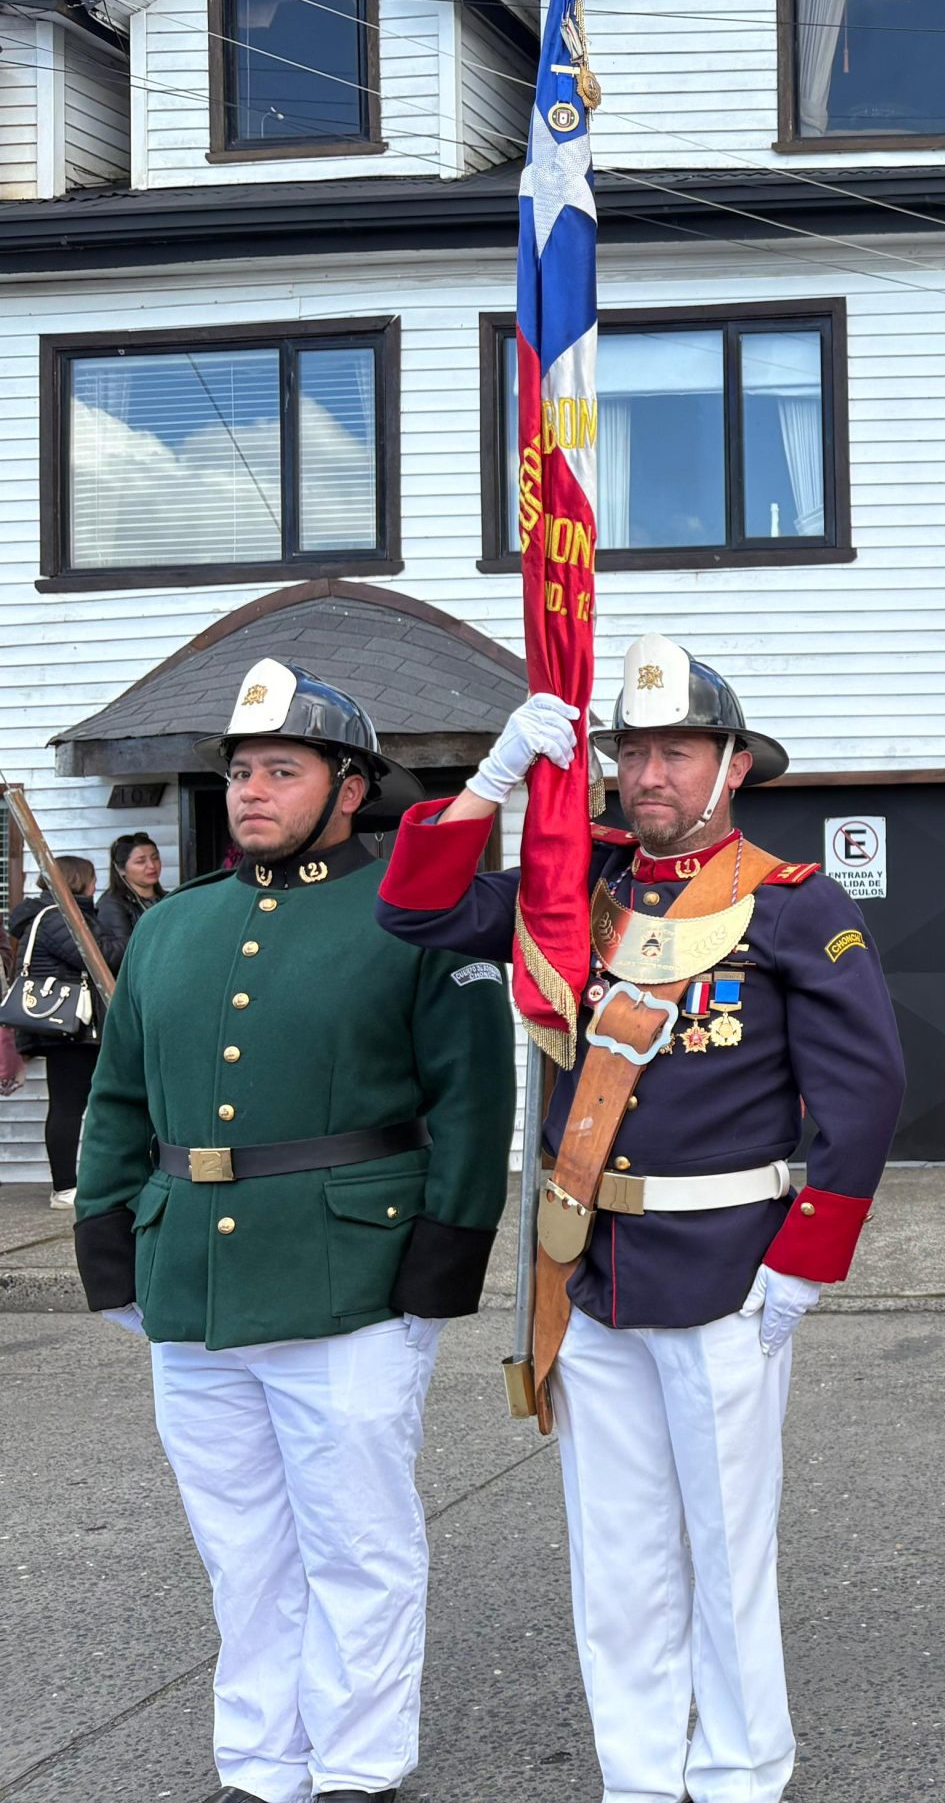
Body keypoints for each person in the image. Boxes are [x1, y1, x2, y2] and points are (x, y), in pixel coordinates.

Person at [377, 635, 903, 1803]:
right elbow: (414, 912)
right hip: (590, 1267)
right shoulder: (577, 894)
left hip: (727, 1270)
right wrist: (494, 778)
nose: (649, 774)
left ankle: (741, 1769)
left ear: (731, 767)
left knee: (725, 1549)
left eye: (677, 751)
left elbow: (864, 1100)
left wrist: (807, 1263)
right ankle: (638, 1771)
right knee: (614, 1556)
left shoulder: (794, 908)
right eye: (633, 752)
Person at [73, 659, 514, 1803]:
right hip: (193, 1277)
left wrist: (443, 1257)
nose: (251, 791)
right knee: (242, 1549)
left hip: (351, 1272)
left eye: (282, 769)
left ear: (350, 788)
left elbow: (472, 1097)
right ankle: (263, 1764)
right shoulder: (172, 928)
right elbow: (123, 1095)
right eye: (240, 771)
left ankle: (361, 1766)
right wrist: (111, 1243)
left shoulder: (414, 915)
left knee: (356, 1543)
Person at [12, 856, 101, 1212]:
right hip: (70, 1028)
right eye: (94, 878)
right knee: (67, 1106)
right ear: (79, 880)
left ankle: (70, 1184)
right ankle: (65, 1188)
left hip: (65, 1027)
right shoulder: (58, 917)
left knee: (69, 1104)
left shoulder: (46, 914)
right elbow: (97, 956)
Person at [94, 831, 166, 971]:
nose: (152, 866)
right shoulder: (112, 905)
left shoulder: (168, 898)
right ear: (121, 869)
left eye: (155, 858)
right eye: (141, 861)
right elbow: (124, 953)